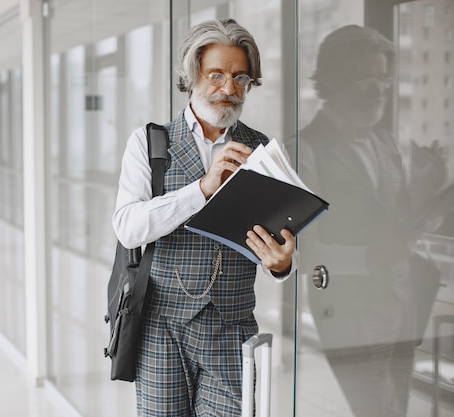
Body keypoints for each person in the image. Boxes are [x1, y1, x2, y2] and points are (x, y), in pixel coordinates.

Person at [112, 19, 298, 416]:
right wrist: (201, 190)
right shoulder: (150, 142)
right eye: (216, 75)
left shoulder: (261, 149)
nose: (229, 89)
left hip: (231, 327)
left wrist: (282, 265)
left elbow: (278, 237)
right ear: (192, 74)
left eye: (240, 78)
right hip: (160, 325)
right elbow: (128, 227)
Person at [285, 25, 450, 417]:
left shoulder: (386, 142)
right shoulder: (303, 150)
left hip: (401, 302)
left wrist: (432, 184)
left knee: (397, 409)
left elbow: (405, 219)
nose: (379, 89)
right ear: (334, 80)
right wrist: (368, 257)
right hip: (348, 311)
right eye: (365, 78)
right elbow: (302, 251)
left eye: (383, 78)